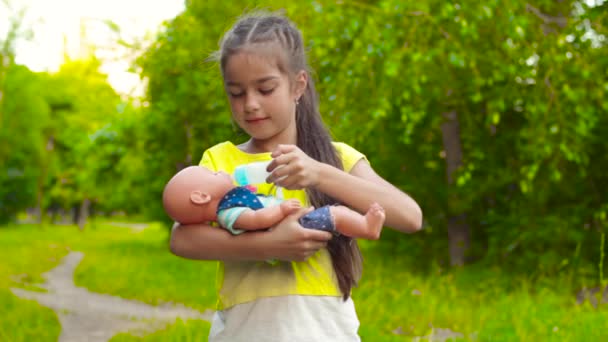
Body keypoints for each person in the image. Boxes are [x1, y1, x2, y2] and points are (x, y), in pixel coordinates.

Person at [169, 11, 423, 341]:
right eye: (236, 92)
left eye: (265, 88)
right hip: (245, 331)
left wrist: (320, 173)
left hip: (325, 331)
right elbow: (181, 239)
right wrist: (267, 245)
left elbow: (410, 217)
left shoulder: (336, 157)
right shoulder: (220, 163)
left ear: (297, 85)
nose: (250, 104)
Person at [162, 165, 386, 239]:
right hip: (291, 226)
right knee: (336, 214)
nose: (220, 171)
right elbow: (256, 219)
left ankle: (362, 224)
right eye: (213, 174)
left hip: (289, 222)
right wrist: (281, 209)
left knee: (337, 213)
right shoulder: (227, 213)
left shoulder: (232, 199)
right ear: (200, 197)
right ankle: (366, 227)